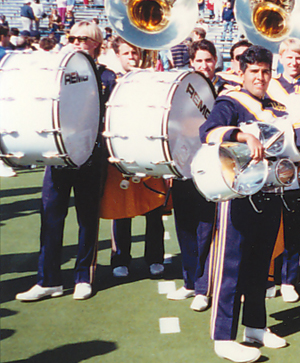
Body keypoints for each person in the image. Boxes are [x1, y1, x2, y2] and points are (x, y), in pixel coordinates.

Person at [199, 46, 300, 362]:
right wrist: (242, 136)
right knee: (231, 265)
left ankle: (254, 325)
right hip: (238, 193)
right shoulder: (230, 101)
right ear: (242, 73)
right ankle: (222, 336)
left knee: (261, 264)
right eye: (254, 71)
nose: (260, 77)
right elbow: (209, 132)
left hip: (271, 192)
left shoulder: (278, 106)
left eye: (265, 71)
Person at [17, 22, 116, 302]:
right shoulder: (56, 74)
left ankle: (83, 276)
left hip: (90, 155)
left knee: (87, 217)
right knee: (50, 216)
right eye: (72, 38)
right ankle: (48, 280)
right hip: (58, 154)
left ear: (96, 43)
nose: (76, 42)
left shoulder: (106, 76)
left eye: (83, 39)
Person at [102, 38, 166, 280]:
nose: (132, 57)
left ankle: (155, 257)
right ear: (117, 55)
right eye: (126, 53)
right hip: (119, 150)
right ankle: (120, 258)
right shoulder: (111, 81)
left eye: (135, 52)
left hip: (147, 149)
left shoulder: (151, 79)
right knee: (121, 209)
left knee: (153, 206)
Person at [168, 39, 223, 311]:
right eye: (199, 61)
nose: (204, 65)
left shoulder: (225, 88)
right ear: (191, 63)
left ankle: (204, 287)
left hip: (212, 168)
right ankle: (190, 282)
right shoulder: (180, 87)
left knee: (206, 229)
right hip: (183, 164)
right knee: (185, 227)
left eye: (208, 60)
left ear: (216, 61)